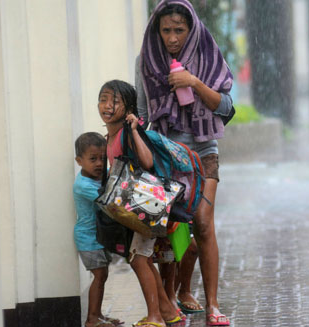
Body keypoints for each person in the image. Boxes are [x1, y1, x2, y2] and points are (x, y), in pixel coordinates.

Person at [135, 1, 233, 325]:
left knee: (203, 222)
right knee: (171, 228)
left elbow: (227, 107)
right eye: (166, 30)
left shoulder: (207, 53)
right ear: (157, 30)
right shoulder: (146, 60)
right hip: (167, 153)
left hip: (204, 151)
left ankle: (213, 306)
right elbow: (144, 112)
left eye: (179, 30)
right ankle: (173, 295)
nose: (173, 38)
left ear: (191, 29)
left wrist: (193, 82)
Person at [97, 80, 183, 327]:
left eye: (116, 101)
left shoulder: (127, 131)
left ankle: (155, 317)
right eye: (103, 99)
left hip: (147, 207)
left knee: (139, 259)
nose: (108, 106)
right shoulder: (110, 135)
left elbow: (146, 162)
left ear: (129, 107)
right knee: (140, 258)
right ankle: (167, 312)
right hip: (134, 209)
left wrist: (134, 130)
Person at [73, 132, 123, 327]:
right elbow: (108, 200)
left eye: (103, 158)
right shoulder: (83, 185)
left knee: (102, 275)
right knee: (100, 275)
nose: (99, 164)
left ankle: (98, 315)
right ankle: (92, 318)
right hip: (88, 238)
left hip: (98, 237)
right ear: (79, 160)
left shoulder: (96, 178)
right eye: (92, 159)